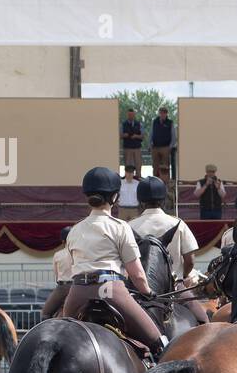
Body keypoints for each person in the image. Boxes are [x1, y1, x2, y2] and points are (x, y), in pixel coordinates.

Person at [63, 167, 167, 358]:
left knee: (60, 340)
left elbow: (73, 268)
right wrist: (148, 293)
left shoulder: (74, 231)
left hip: (77, 293)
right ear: (115, 197)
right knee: (159, 342)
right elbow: (137, 275)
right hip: (110, 290)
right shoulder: (120, 227)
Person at [129, 176, 209, 323]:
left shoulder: (130, 226)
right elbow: (190, 260)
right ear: (163, 199)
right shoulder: (177, 223)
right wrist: (183, 277)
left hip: (139, 289)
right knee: (204, 321)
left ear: (140, 201)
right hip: (174, 287)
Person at [42, 226, 72, 319]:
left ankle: (45, 332)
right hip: (78, 287)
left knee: (45, 313)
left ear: (62, 241)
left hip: (62, 287)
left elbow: (56, 274)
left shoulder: (58, 255)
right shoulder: (79, 253)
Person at [150, 106, 175, 185]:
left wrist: (170, 147)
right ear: (159, 113)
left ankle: (166, 183)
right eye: (161, 112)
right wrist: (150, 143)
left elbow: (173, 136)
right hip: (155, 147)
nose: (162, 114)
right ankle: (154, 182)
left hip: (165, 147)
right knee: (155, 166)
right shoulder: (154, 122)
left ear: (166, 114)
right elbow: (151, 133)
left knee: (165, 167)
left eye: (164, 113)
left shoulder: (170, 122)